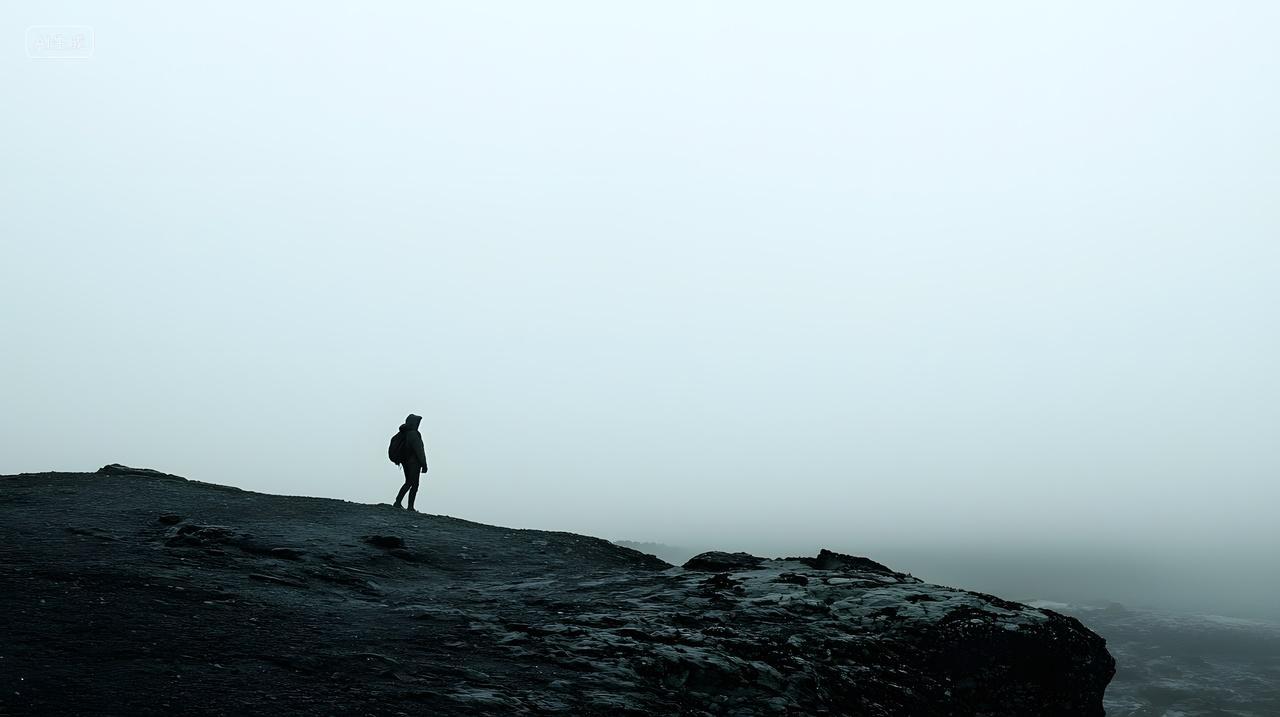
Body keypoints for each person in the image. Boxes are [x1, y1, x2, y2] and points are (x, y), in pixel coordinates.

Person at [393, 414, 428, 511]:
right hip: (414, 463)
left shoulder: (403, 433)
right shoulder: (414, 434)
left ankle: (399, 502)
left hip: (405, 462)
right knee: (413, 484)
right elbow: (419, 450)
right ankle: (408, 506)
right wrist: (424, 464)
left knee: (408, 482)